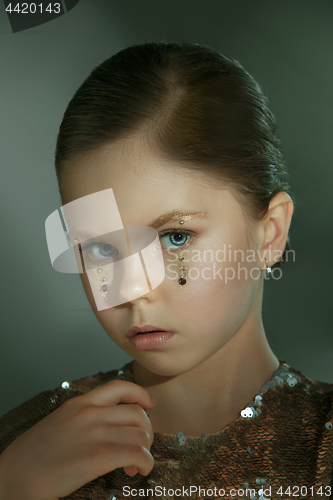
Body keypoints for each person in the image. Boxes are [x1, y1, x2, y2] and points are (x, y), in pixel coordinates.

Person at [0, 41, 332, 500]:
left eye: (175, 236)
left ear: (270, 234)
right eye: (100, 247)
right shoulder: (23, 446)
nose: (132, 289)